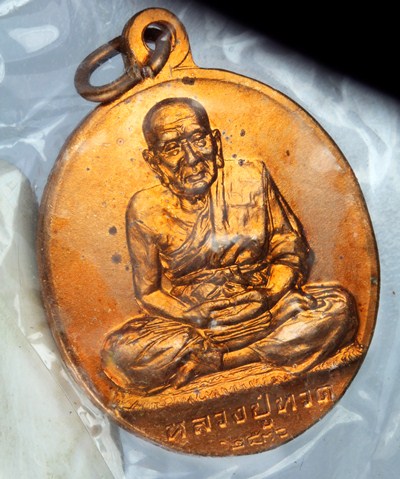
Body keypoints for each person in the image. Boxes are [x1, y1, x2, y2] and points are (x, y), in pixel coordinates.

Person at [101, 97, 358, 394]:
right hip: (197, 323)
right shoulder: (145, 209)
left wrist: (270, 296)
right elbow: (148, 292)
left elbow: (289, 249)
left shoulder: (251, 177)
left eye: (198, 140)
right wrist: (190, 315)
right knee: (120, 354)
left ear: (216, 142)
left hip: (266, 304)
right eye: (172, 148)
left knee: (339, 308)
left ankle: (225, 360)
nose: (192, 158)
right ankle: (242, 350)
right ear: (153, 161)